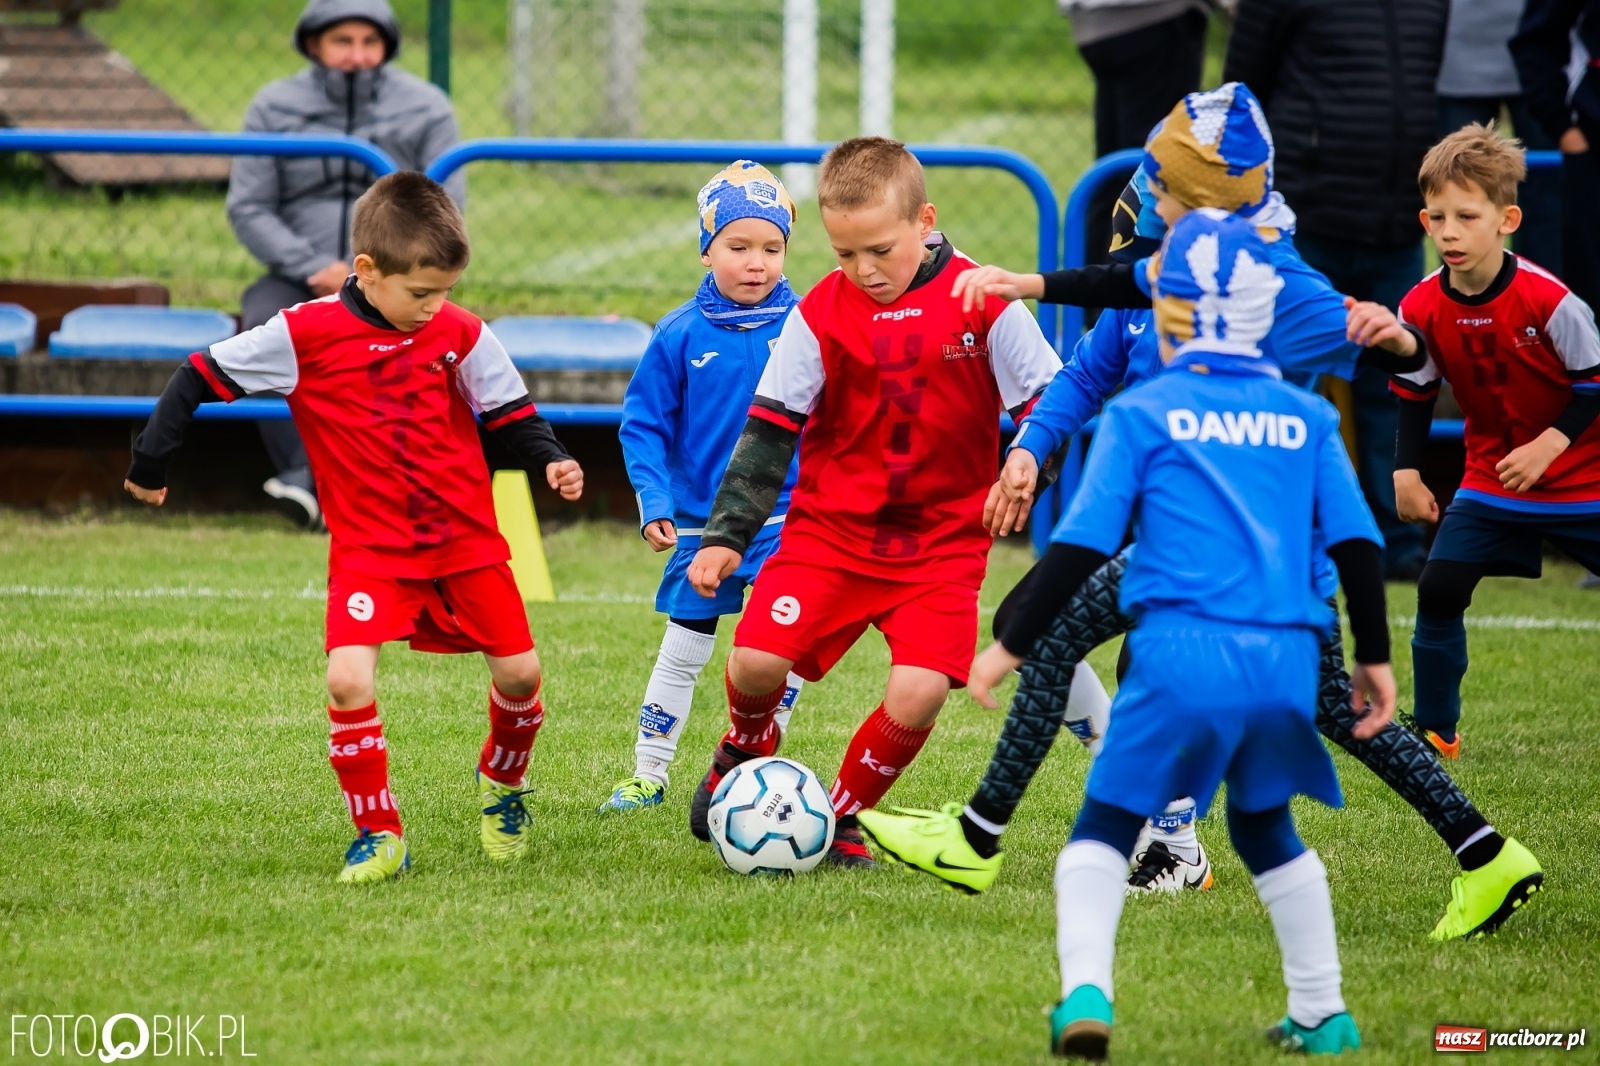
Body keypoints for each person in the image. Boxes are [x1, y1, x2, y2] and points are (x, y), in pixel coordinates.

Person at [862, 86, 1542, 945]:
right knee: (1307, 706)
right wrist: (1030, 405)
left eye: (1167, 187)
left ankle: (1030, 841)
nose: (1150, 196)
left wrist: (1402, 351)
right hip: (1210, 545)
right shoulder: (1183, 251)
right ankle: (1483, 853)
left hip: (1239, 550)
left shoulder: (1279, 287)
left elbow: (1404, 360)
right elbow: (1116, 300)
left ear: (1211, 202)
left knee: (1096, 646)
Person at [982, 210, 1392, 1058]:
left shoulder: (1149, 412)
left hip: (1178, 655)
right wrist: (1374, 659)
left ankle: (1085, 994)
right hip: (1283, 658)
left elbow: (1084, 544)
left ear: (1165, 311)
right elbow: (1356, 543)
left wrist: (1014, 640)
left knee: (1101, 829)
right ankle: (1324, 1013)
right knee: (1267, 828)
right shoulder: (1306, 416)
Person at [124, 173, 585, 884]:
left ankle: (502, 785)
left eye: (446, 292)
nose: (436, 308)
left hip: (464, 541)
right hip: (371, 550)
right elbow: (197, 375)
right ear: (367, 272)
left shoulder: (459, 331)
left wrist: (552, 460)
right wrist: (152, 462)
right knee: (346, 679)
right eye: (421, 294)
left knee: (521, 675)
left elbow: (509, 410)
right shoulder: (304, 334)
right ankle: (378, 831)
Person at [682, 137, 1062, 868]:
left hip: (942, 547)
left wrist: (1027, 466)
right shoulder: (820, 312)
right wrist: (728, 534)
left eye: (879, 250)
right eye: (844, 254)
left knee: (919, 693)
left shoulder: (983, 302)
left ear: (926, 220)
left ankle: (839, 816)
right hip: (830, 533)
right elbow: (771, 427)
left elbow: (1051, 404)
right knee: (756, 662)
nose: (863, 271)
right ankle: (747, 746)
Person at [597, 161, 807, 814]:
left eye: (771, 248)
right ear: (706, 247)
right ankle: (648, 772)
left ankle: (754, 763)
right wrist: (654, 503)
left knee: (778, 653)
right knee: (684, 649)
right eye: (738, 247)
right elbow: (643, 427)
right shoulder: (678, 334)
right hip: (700, 526)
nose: (756, 263)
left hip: (786, 524)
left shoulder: (809, 327)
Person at [1392, 124, 1600, 767]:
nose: (1449, 232)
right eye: (1437, 218)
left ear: (1506, 219)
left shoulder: (1551, 299)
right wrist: (1407, 471)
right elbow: (1415, 390)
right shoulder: (1420, 305)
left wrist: (1548, 447)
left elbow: (1593, 383)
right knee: (1439, 587)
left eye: (1467, 217)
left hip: (1584, 479)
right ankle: (1434, 732)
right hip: (1490, 479)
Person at [1223, 0, 1448, 581]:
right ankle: (1268, 533)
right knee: (1282, 383)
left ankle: (1392, 544)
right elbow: (1242, 95)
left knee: (1393, 380)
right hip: (1305, 226)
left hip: (1396, 226)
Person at [227, 0, 465, 530]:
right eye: (342, 42)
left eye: (369, 42)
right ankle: (304, 478)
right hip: (298, 275)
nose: (357, 56)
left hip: (398, 278)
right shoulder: (273, 107)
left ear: (386, 47)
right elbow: (249, 206)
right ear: (314, 44)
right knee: (263, 330)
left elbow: (447, 205)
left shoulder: (427, 107)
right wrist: (316, 268)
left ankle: (359, 488)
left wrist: (383, 273)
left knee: (425, 344)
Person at [1056, 0, 1212, 269]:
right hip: (1154, 16)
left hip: (1094, 23)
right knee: (1150, 173)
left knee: (1111, 174)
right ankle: (1121, 295)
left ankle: (1089, 300)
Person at [1437, 0, 1562, 274]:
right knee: (1459, 190)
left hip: (1543, 48)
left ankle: (1545, 306)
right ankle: (1459, 306)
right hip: (1453, 52)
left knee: (1547, 197)